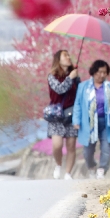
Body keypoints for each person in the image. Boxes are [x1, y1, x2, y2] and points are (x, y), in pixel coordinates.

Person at [73, 59, 110, 179]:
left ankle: (102, 169)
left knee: (106, 148)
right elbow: (78, 104)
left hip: (107, 122)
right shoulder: (83, 86)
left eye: (104, 72)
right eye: (99, 72)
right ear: (94, 72)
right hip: (89, 124)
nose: (102, 75)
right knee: (88, 151)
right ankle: (91, 166)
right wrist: (76, 120)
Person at [47, 49, 80, 180]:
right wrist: (70, 78)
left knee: (71, 145)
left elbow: (79, 95)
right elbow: (59, 89)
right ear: (58, 60)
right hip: (56, 115)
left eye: (69, 55)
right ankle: (58, 164)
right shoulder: (52, 76)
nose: (68, 57)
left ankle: (68, 173)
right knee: (57, 145)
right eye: (65, 55)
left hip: (71, 115)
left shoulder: (75, 76)